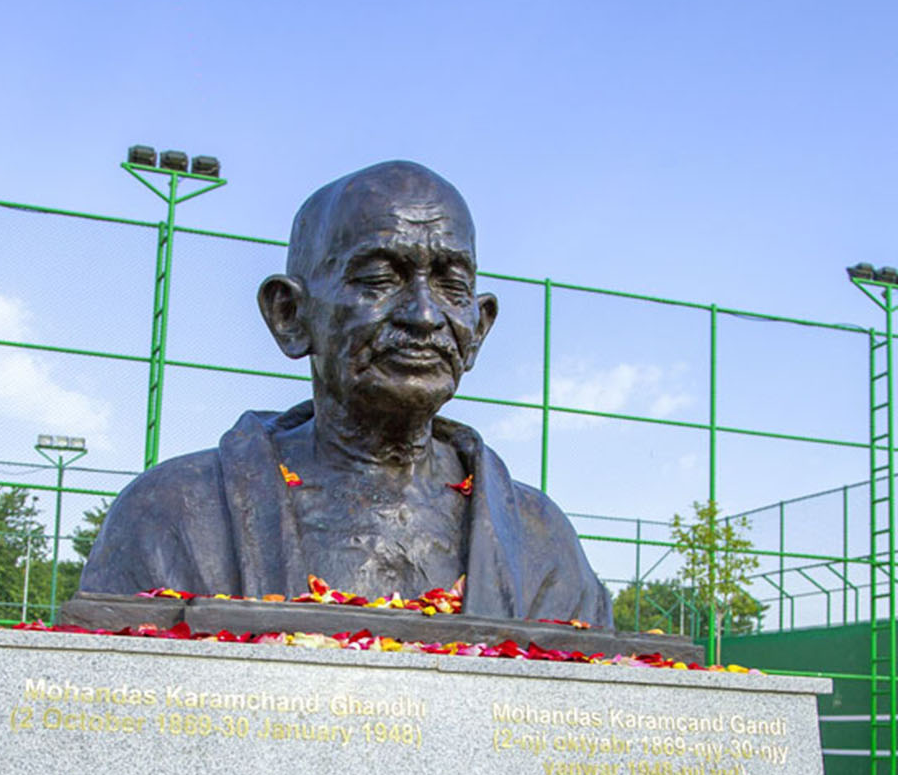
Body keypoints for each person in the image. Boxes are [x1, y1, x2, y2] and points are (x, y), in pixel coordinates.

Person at [81, 160, 611, 623]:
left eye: (452, 286)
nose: (425, 315)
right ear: (289, 316)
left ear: (480, 326)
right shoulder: (169, 515)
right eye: (380, 278)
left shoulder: (543, 542)